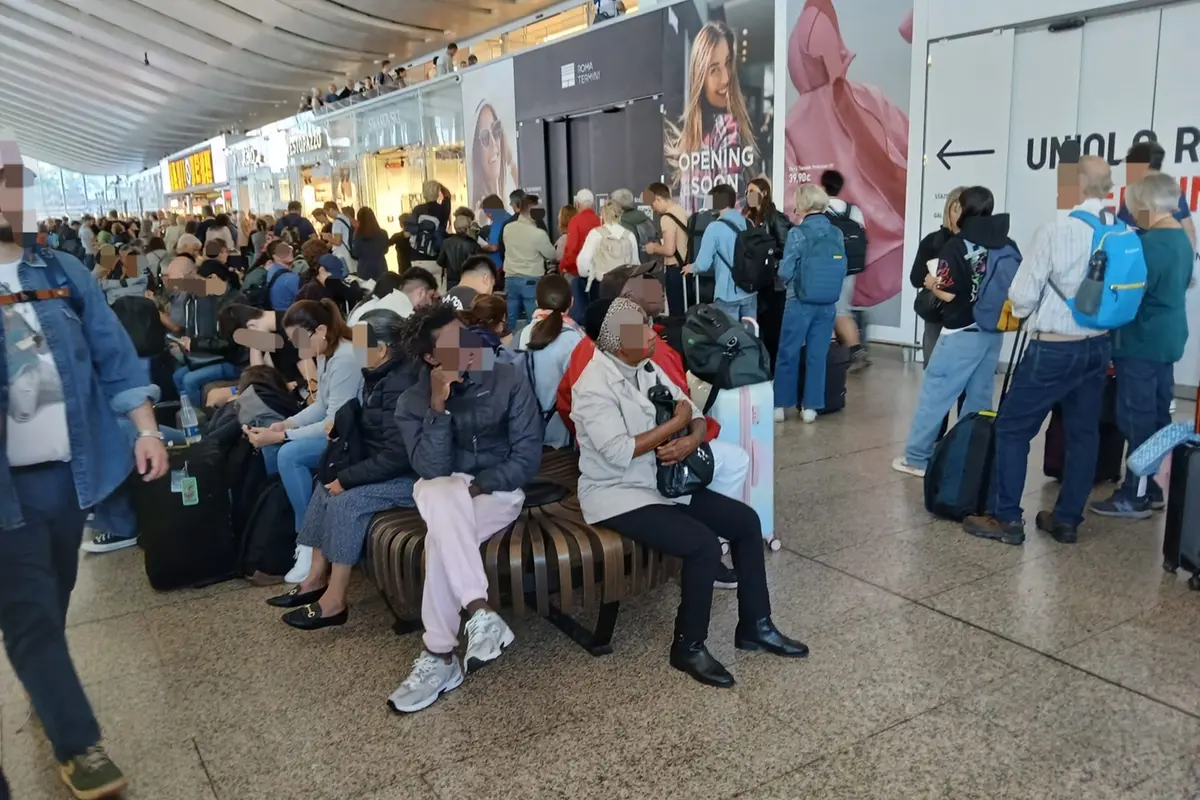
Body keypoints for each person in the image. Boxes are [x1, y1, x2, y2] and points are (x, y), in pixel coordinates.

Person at [0, 168, 169, 798]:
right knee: (30, 613)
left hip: (66, 477)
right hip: (6, 490)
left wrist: (146, 429)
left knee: (51, 600)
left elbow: (113, 355)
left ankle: (43, 681)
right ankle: (78, 742)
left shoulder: (59, 274)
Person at [570, 298, 805, 687]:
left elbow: (693, 412)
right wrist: (673, 428)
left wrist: (690, 439)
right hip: (617, 493)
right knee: (702, 545)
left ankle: (755, 626)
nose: (651, 335)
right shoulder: (593, 385)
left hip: (662, 482)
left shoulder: (644, 367)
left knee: (746, 522)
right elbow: (618, 450)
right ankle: (688, 645)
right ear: (617, 342)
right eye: (642, 331)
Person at [386, 303, 542, 714]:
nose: (467, 344)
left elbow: (527, 458)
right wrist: (439, 404)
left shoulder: (506, 375)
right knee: (439, 488)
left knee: (441, 537)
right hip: (443, 494)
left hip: (498, 492)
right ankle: (478, 611)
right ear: (430, 358)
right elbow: (430, 468)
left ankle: (440, 656)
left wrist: (480, 485)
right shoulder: (413, 401)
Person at [964, 156, 1118, 547]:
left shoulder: (1056, 230)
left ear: (1077, 185)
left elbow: (1021, 296)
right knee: (1084, 434)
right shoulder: (1119, 230)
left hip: (1054, 349)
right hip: (1099, 347)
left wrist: (1020, 308)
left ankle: (1006, 519)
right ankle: (1066, 520)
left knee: (1013, 428)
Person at [268, 311, 422, 628]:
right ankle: (314, 579)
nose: (356, 349)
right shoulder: (379, 375)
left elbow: (399, 455)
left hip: (414, 478)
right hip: (386, 469)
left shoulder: (401, 385)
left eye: (363, 343)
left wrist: (349, 478)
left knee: (346, 501)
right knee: (324, 485)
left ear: (384, 349)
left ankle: (335, 601)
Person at [1090, 172, 1194, 518]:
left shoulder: (1148, 245)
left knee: (1135, 416)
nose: (1130, 212)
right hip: (1167, 337)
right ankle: (1152, 488)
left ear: (1148, 206)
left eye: (1133, 206)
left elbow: (1130, 296)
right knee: (1157, 411)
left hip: (1141, 340)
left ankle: (1133, 494)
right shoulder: (1182, 239)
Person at [891, 186, 1015, 476]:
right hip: (992, 330)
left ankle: (917, 458)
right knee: (979, 398)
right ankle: (970, 458)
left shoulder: (957, 245)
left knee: (935, 395)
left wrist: (932, 282)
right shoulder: (1005, 243)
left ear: (963, 209)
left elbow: (946, 293)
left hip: (960, 331)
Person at [244, 299, 364, 583]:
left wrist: (283, 434)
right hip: (338, 431)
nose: (297, 348)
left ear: (321, 330)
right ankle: (284, 530)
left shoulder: (345, 357)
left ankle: (309, 541)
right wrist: (287, 424)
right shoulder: (326, 353)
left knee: (289, 455)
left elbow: (333, 423)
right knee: (275, 451)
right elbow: (322, 405)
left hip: (353, 437)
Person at [665, 21, 761, 214]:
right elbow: (735, 211)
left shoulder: (690, 140)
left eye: (727, 63)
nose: (725, 78)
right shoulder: (726, 128)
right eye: (714, 69)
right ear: (700, 77)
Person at [772, 183, 846, 424]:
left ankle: (781, 405)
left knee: (788, 352)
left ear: (802, 205)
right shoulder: (836, 233)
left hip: (799, 301)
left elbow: (785, 271)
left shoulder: (798, 234)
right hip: (827, 302)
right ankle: (811, 407)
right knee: (817, 354)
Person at [516, 275, 583, 448]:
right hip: (564, 437)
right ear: (572, 302)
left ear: (537, 303)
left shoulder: (521, 335)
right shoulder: (576, 340)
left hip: (526, 434)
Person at [821, 170, 870, 371]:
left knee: (835, 311)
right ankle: (843, 351)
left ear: (822, 187)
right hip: (850, 267)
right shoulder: (854, 211)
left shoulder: (820, 210)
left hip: (827, 269)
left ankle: (854, 352)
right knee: (840, 309)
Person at [911, 187, 966, 364]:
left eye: (965, 210)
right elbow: (916, 278)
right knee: (934, 370)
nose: (961, 215)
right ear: (948, 210)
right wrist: (933, 280)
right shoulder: (933, 241)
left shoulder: (976, 243)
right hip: (938, 314)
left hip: (965, 317)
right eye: (956, 209)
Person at [685, 184, 754, 321]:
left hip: (727, 292)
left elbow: (703, 264)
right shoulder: (747, 223)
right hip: (749, 289)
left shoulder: (714, 228)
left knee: (729, 336)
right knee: (750, 335)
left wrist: (691, 267)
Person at [742, 178, 791, 363]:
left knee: (773, 329)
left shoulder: (776, 218)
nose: (748, 196)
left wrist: (770, 259)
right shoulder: (749, 218)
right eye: (747, 192)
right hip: (755, 282)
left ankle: (774, 368)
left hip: (774, 284)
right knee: (757, 326)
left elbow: (787, 250)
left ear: (764, 193)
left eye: (752, 191)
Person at [1118, 140, 1196, 251]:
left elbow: (1123, 231)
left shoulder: (1138, 194)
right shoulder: (1172, 190)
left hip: (1147, 261)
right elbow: (1188, 228)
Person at [500, 194, 556, 327]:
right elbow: (552, 255)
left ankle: (510, 344)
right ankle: (532, 344)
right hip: (531, 280)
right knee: (534, 320)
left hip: (510, 278)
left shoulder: (508, 228)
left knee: (511, 319)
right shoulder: (538, 234)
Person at [645, 182, 692, 315]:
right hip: (685, 268)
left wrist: (654, 248)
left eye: (652, 204)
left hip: (675, 270)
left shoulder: (666, 218)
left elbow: (669, 249)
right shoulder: (681, 210)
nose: (653, 209)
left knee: (676, 315)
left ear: (658, 199)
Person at [578, 199, 638, 300]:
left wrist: (590, 274)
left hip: (601, 285)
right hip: (624, 286)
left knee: (600, 314)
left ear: (602, 215)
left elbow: (583, 263)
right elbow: (635, 263)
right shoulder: (629, 235)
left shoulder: (595, 233)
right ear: (620, 215)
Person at [560, 189, 601, 321]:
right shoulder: (600, 220)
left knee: (577, 312)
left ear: (577, 204)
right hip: (597, 273)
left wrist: (564, 266)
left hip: (577, 272)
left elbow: (571, 249)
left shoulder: (576, 221)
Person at [611, 188, 657, 262]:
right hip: (649, 262)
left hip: (629, 264)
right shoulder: (643, 216)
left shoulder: (620, 222)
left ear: (616, 204)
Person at [437, 214, 481, 291]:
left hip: (451, 281)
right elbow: (479, 263)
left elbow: (440, 261)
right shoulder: (473, 244)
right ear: (468, 228)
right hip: (468, 279)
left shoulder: (446, 242)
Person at [351, 205, 389, 281]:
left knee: (366, 290)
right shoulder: (383, 233)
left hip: (364, 268)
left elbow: (355, 253)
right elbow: (385, 250)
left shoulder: (358, 235)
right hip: (380, 266)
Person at [265, 242, 302, 311]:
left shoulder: (272, 270)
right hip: (291, 316)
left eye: (289, 248)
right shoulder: (291, 278)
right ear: (275, 256)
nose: (290, 251)